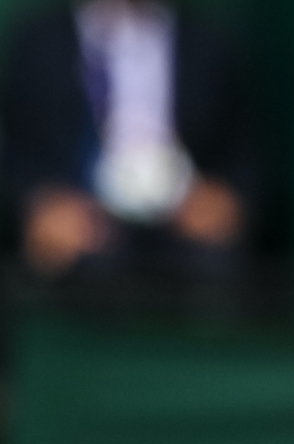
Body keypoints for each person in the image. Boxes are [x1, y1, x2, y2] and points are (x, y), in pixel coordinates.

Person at [0, 0, 255, 285]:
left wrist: (225, 201)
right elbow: (17, 149)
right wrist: (39, 205)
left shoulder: (210, 45)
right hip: (83, 238)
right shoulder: (38, 42)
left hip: (182, 235)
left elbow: (243, 156)